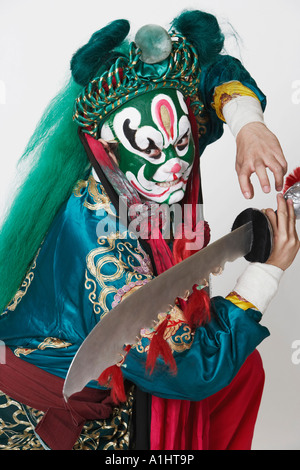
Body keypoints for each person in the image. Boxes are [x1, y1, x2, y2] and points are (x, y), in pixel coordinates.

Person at [0, 10, 299, 451]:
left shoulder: (142, 162)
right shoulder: (100, 248)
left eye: (183, 144)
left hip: (111, 386)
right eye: (152, 150)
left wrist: (247, 124)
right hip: (42, 422)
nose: (177, 166)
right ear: (106, 146)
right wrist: (267, 272)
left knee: (244, 372)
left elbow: (214, 76)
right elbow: (192, 368)